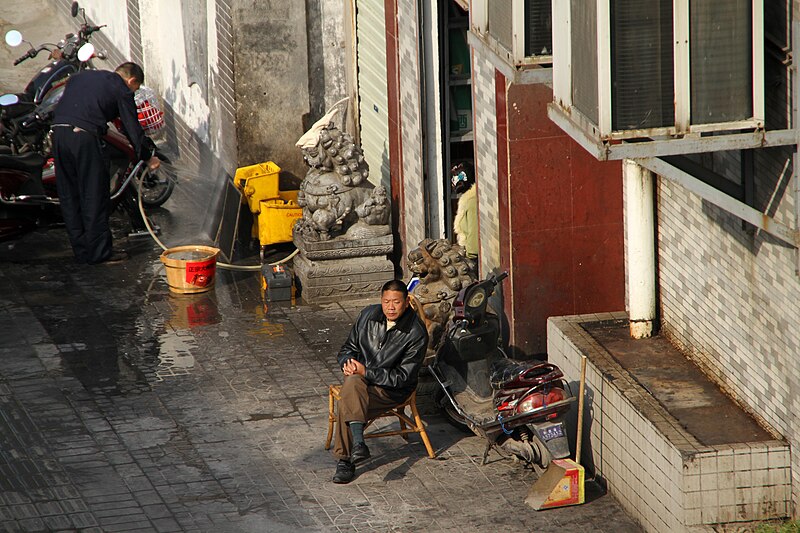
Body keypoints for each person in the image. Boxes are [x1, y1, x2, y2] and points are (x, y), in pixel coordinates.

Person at [51, 62, 161, 265]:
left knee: (70, 195)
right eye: (134, 89)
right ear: (132, 81)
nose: (133, 93)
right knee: (94, 194)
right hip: (84, 138)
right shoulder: (121, 89)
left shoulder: (82, 76)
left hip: (58, 134)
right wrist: (147, 156)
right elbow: (131, 127)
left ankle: (82, 251)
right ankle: (100, 253)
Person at [332, 279, 429, 484]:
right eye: (386, 302)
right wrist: (347, 363)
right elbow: (348, 347)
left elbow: (403, 377)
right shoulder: (368, 315)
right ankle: (358, 445)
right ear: (381, 300)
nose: (390, 307)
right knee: (353, 384)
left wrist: (365, 371)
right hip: (361, 381)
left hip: (391, 389)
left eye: (396, 302)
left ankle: (345, 459)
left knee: (348, 401)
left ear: (406, 303)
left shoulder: (416, 333)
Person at [451, 161, 478, 260]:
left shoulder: (471, 201)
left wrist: (469, 255)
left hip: (472, 257)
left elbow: (474, 232)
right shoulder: (468, 199)